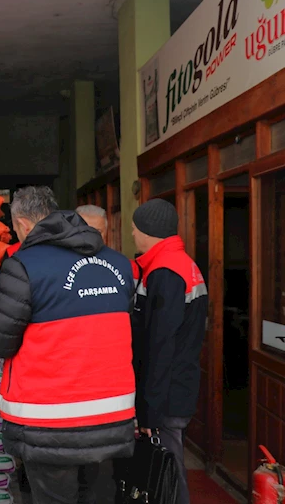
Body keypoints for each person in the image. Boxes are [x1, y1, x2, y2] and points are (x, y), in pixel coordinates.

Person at [0, 186, 135, 504]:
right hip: (110, 414)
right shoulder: (119, 265)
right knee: (99, 494)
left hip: (49, 419)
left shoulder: (24, 266)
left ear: (21, 224)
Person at [128, 199, 207, 504]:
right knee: (166, 468)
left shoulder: (165, 272)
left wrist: (149, 409)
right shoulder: (180, 264)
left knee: (167, 474)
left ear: (149, 231)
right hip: (177, 386)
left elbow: (160, 346)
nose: (133, 235)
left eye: (135, 229)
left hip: (167, 395)